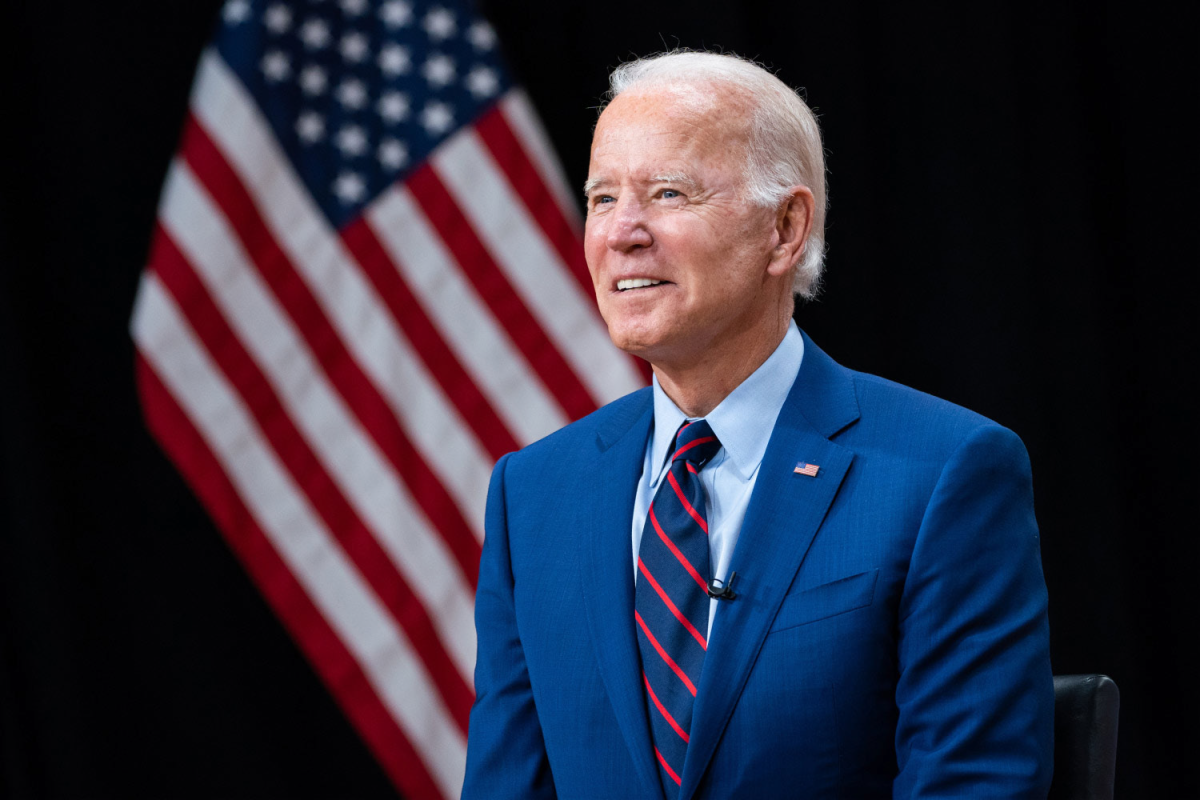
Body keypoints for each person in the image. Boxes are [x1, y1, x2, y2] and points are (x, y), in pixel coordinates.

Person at [462, 51, 1053, 799]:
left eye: (668, 193)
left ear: (785, 228)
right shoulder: (534, 494)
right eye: (603, 197)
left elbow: (971, 786)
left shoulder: (945, 475)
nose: (622, 233)